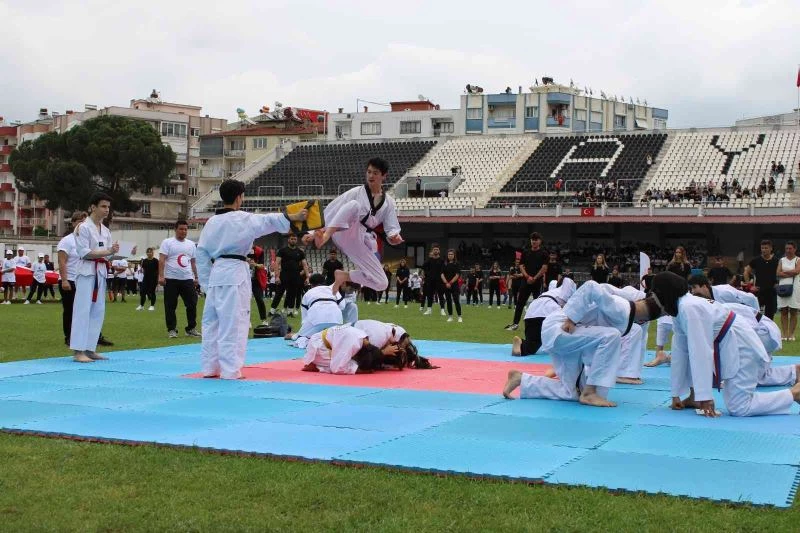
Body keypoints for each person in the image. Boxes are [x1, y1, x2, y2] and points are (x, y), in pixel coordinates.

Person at [196, 179, 308, 379]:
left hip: (216, 273)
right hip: (235, 272)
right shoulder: (243, 219)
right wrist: (293, 217)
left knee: (211, 323)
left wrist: (205, 284)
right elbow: (269, 221)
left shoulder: (211, 222)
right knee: (234, 322)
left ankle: (210, 368)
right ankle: (230, 370)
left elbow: (201, 254)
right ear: (239, 197)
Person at [650, 271, 800, 417]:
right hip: (733, 341)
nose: (654, 299)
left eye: (655, 295)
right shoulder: (681, 307)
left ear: (663, 294)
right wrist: (676, 393)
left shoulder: (689, 307)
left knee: (740, 406)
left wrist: (705, 397)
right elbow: (680, 351)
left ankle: (794, 393)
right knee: (754, 380)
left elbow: (700, 352)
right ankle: (794, 374)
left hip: (740, 343)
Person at [503, 280, 660, 406]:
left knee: (573, 392)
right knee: (612, 336)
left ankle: (522, 379)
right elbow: (590, 286)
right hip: (560, 329)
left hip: (570, 339)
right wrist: (572, 317)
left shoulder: (627, 313)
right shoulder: (622, 307)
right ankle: (590, 392)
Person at [308, 157, 403, 295]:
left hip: (359, 240)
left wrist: (394, 237)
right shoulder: (356, 192)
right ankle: (324, 237)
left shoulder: (388, 203)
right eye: (369, 172)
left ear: (384, 176)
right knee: (354, 205)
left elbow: (391, 228)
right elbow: (333, 209)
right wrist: (313, 233)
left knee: (382, 283)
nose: (371, 176)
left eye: (375, 173)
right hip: (343, 231)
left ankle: (343, 276)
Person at [70, 192, 119, 363]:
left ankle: (90, 349)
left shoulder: (105, 230)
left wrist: (119, 253)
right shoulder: (83, 228)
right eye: (103, 206)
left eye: (108, 207)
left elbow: (107, 255)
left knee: (98, 311)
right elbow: (84, 253)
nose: (107, 210)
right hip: (86, 271)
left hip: (101, 272)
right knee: (82, 310)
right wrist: (108, 251)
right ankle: (78, 351)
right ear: (93, 207)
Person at [645, 246, 692, 367]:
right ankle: (658, 354)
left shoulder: (687, 266)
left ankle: (674, 355)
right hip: (669, 294)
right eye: (676, 252)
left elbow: (687, 280)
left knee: (679, 325)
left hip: (682, 294)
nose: (677, 254)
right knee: (662, 323)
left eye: (679, 252)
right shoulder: (671, 265)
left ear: (683, 254)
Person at [511, 277, 576, 357]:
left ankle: (521, 343)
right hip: (549, 310)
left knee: (533, 343)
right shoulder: (566, 290)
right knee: (569, 323)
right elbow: (568, 283)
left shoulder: (551, 291)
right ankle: (565, 347)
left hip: (531, 311)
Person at [159, 220, 200, 338]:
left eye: (186, 229)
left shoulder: (191, 244)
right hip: (171, 279)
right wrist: (161, 276)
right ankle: (172, 329)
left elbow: (193, 262)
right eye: (181, 229)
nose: (184, 231)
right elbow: (162, 260)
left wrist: (196, 276)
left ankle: (191, 328)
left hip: (187, 279)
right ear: (175, 229)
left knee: (192, 303)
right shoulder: (167, 242)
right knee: (170, 305)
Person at [287, 273, 344, 349]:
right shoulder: (332, 289)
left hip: (316, 318)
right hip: (336, 318)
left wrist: (298, 334)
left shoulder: (308, 293)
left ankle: (299, 338)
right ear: (324, 282)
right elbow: (342, 305)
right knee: (333, 338)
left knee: (301, 338)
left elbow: (305, 318)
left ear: (311, 285)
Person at [301, 324, 383, 374]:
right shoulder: (354, 344)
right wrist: (360, 370)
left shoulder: (362, 336)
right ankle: (318, 366)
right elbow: (337, 369)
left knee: (347, 361)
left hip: (322, 340)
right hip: (319, 347)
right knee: (348, 364)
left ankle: (317, 363)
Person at [506, 232, 548, 331]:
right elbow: (521, 265)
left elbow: (544, 268)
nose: (534, 241)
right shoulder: (526, 252)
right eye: (532, 239)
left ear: (540, 241)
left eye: (536, 239)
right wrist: (527, 276)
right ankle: (515, 324)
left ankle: (540, 325)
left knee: (538, 304)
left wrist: (535, 278)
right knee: (520, 303)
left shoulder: (544, 253)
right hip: (526, 281)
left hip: (537, 282)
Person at [270, 233, 308, 318]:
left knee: (292, 294)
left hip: (295, 276)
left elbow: (305, 265)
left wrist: (308, 277)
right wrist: (277, 276)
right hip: (284, 275)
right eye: (291, 239)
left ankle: (290, 312)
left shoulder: (300, 252)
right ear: (288, 240)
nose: (293, 240)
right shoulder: (282, 250)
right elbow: (277, 263)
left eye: (295, 239)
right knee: (279, 293)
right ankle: (272, 311)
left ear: (296, 240)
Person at [744, 239, 779, 319]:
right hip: (759, 290)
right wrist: (750, 286)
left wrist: (778, 282)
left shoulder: (776, 260)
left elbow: (780, 273)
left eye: (766, 248)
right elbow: (746, 272)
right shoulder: (756, 260)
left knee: (770, 316)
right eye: (762, 248)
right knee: (756, 315)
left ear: (771, 248)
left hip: (771, 291)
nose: (764, 250)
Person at [688, 273, 759, 310]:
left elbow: (750, 299)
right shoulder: (705, 297)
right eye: (691, 288)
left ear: (704, 286)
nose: (692, 291)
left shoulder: (724, 293)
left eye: (694, 287)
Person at [776, 241, 800, 341]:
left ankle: (791, 334)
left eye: (790, 248)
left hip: (795, 287)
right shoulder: (782, 260)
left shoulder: (798, 259)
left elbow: (797, 271)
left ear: (795, 249)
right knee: (784, 311)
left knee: (794, 311)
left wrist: (784, 272)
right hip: (783, 287)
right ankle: (784, 334)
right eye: (786, 248)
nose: (788, 250)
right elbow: (778, 273)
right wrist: (790, 273)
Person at [421, 244, 445, 316]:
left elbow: (444, 271)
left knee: (440, 295)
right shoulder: (429, 260)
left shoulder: (442, 261)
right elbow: (423, 268)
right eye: (434, 249)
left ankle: (442, 310)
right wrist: (425, 276)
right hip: (430, 281)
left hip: (439, 281)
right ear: (432, 251)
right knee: (430, 296)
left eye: (437, 249)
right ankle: (429, 310)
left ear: (439, 251)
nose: (436, 251)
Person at [248, 245, 269, 326]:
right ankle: (247, 321)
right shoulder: (242, 249)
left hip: (256, 279)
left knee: (260, 299)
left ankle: (264, 319)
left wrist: (255, 264)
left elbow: (262, 265)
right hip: (244, 279)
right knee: (245, 301)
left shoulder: (259, 251)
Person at [441, 249, 463, 322]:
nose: (450, 255)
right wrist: (446, 283)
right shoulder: (444, 264)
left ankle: (459, 317)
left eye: (451, 254)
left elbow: (457, 275)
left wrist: (450, 283)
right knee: (448, 301)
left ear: (454, 255)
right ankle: (450, 316)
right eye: (449, 254)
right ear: (447, 255)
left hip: (454, 285)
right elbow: (442, 274)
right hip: (446, 285)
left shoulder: (457, 264)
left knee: (456, 300)